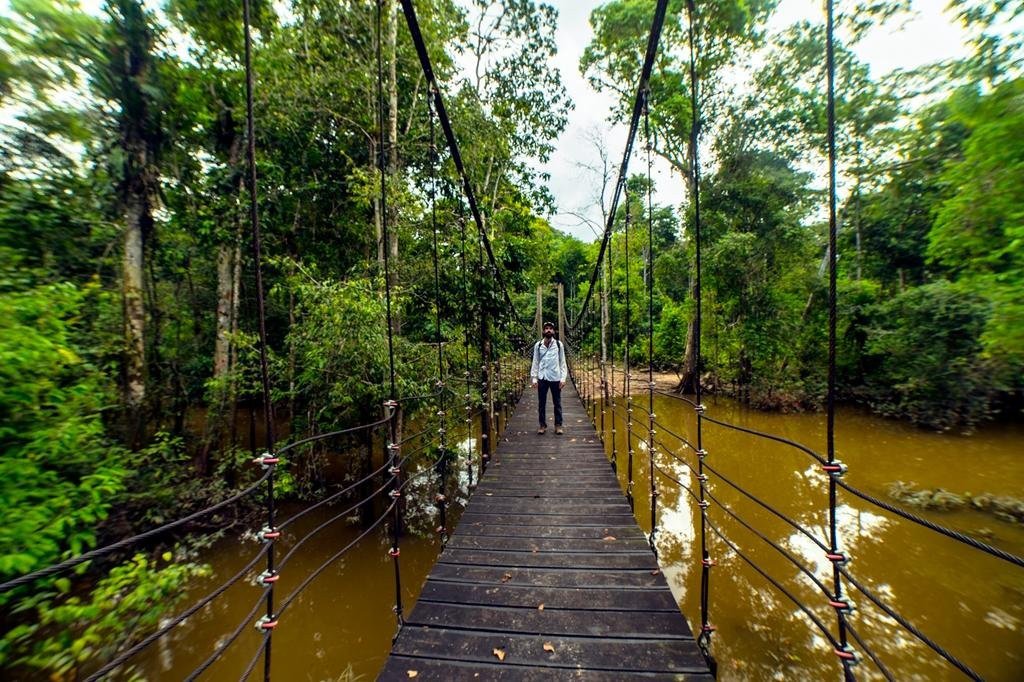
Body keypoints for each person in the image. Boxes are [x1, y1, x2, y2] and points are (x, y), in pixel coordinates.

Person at [530, 321, 567, 435]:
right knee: (541, 403)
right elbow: (535, 362)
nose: (548, 330)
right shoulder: (538, 345)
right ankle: (542, 425)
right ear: (543, 331)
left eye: (551, 328)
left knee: (557, 402)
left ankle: (558, 425)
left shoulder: (559, 345)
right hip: (542, 377)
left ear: (554, 331)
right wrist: (534, 378)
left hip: (555, 377)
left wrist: (563, 378)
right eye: (546, 328)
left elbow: (562, 362)